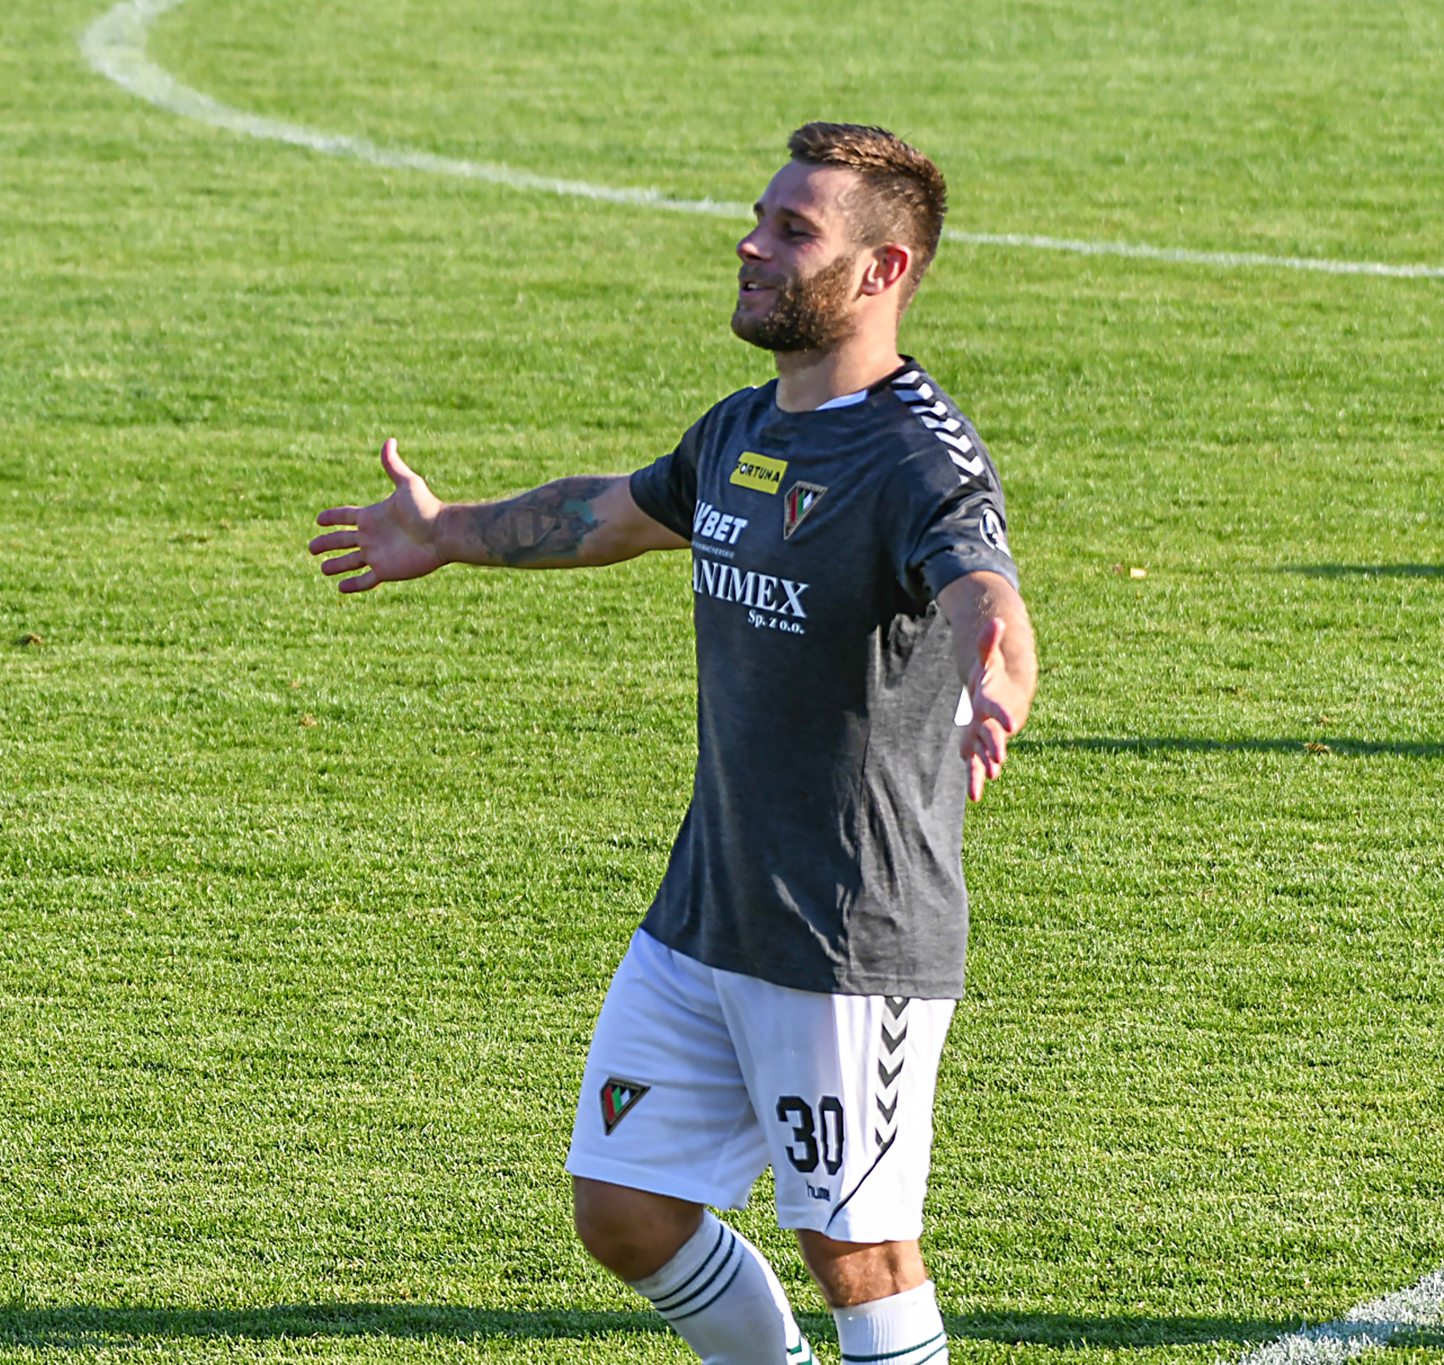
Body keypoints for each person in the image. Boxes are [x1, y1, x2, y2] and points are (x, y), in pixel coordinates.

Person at [309, 122, 1036, 1365]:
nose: (751, 245)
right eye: (758, 219)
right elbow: (610, 513)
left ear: (882, 270)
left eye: (792, 231)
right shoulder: (744, 430)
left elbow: (983, 590)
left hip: (842, 934)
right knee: (626, 1209)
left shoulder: (917, 458)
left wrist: (994, 679)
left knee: (855, 1250)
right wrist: (448, 532)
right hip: (706, 911)